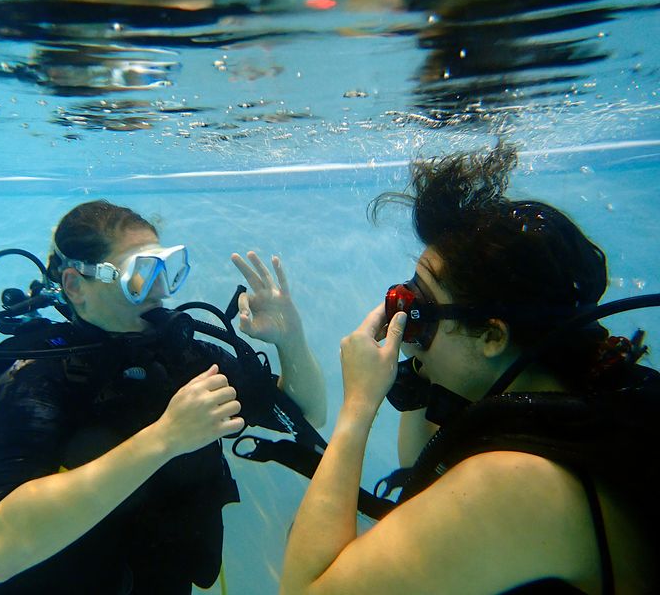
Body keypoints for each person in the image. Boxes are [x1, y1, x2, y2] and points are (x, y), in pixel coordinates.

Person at [279, 145, 658, 594]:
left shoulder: (513, 484)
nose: (404, 324)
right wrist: (416, 355)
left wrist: (358, 407)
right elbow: (417, 466)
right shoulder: (575, 408)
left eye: (419, 310)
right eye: (404, 300)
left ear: (492, 337)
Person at [0, 199, 326, 594]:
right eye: (140, 274)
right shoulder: (33, 376)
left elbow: (307, 415)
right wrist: (165, 438)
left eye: (165, 268)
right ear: (75, 286)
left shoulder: (180, 358)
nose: (160, 289)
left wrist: (290, 340)